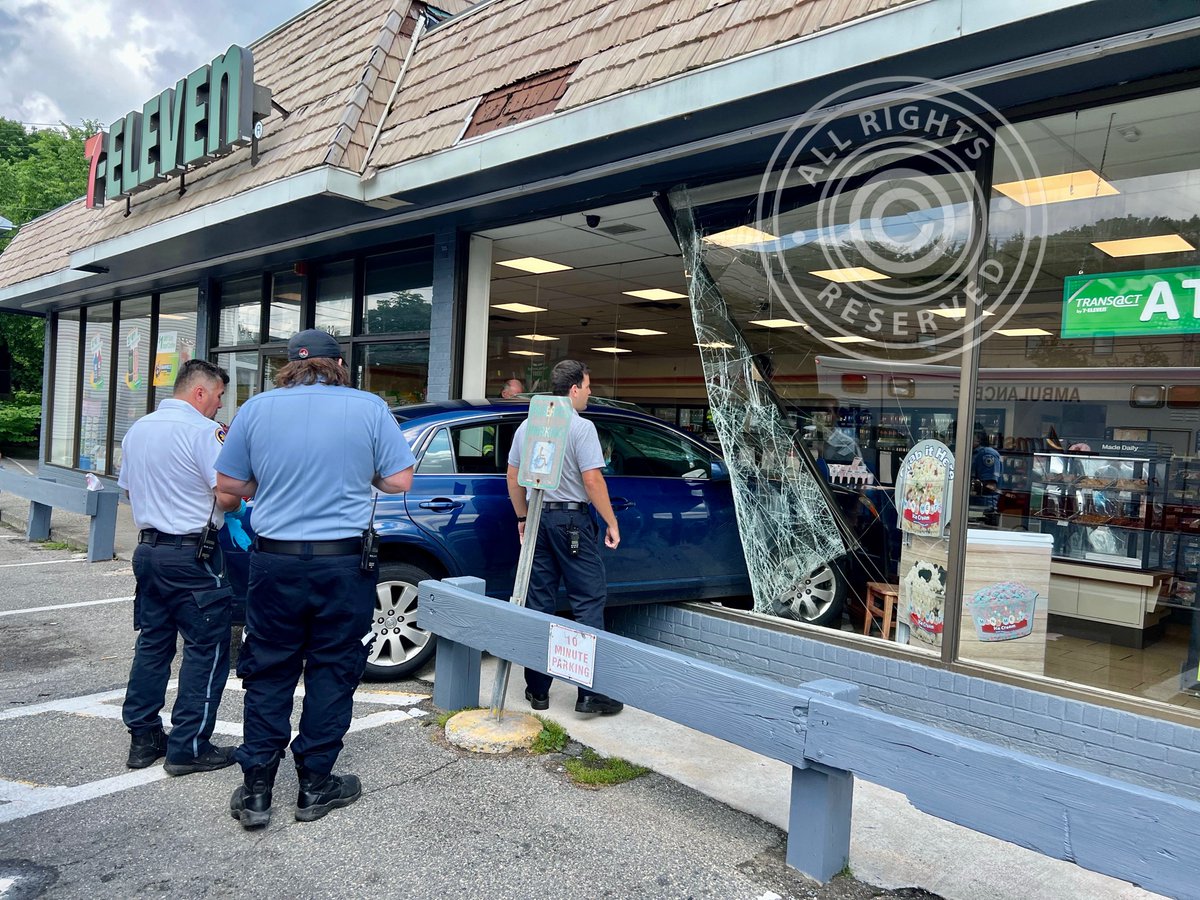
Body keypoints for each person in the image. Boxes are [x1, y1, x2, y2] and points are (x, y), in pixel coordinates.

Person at [215, 329, 415, 828]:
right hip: (343, 564)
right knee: (333, 667)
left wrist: (270, 481)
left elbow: (229, 485)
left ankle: (257, 788)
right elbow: (399, 480)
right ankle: (315, 786)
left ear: (289, 366)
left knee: (269, 667)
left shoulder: (257, 408)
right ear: (338, 365)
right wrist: (358, 473)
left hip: (274, 562)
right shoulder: (369, 407)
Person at [118, 359, 243, 775]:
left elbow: (128, 492)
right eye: (220, 396)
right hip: (194, 555)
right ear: (201, 392)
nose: (220, 406)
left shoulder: (139, 429)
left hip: (149, 550)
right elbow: (226, 497)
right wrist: (240, 496)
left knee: (153, 643)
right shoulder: (203, 432)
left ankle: (143, 737)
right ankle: (188, 746)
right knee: (206, 649)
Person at [506, 359, 623, 715]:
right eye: (587, 386)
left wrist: (523, 517)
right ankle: (590, 694)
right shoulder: (581, 426)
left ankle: (537, 691)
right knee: (587, 601)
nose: (590, 392)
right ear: (573, 389)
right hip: (572, 522)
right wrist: (612, 522)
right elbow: (592, 480)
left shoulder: (529, 426)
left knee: (539, 602)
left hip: (540, 519)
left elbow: (513, 478)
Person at [972, 424, 1003, 526]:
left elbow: (991, 486)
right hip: (971, 506)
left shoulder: (986, 454)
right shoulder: (970, 453)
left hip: (983, 509)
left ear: (978, 437)